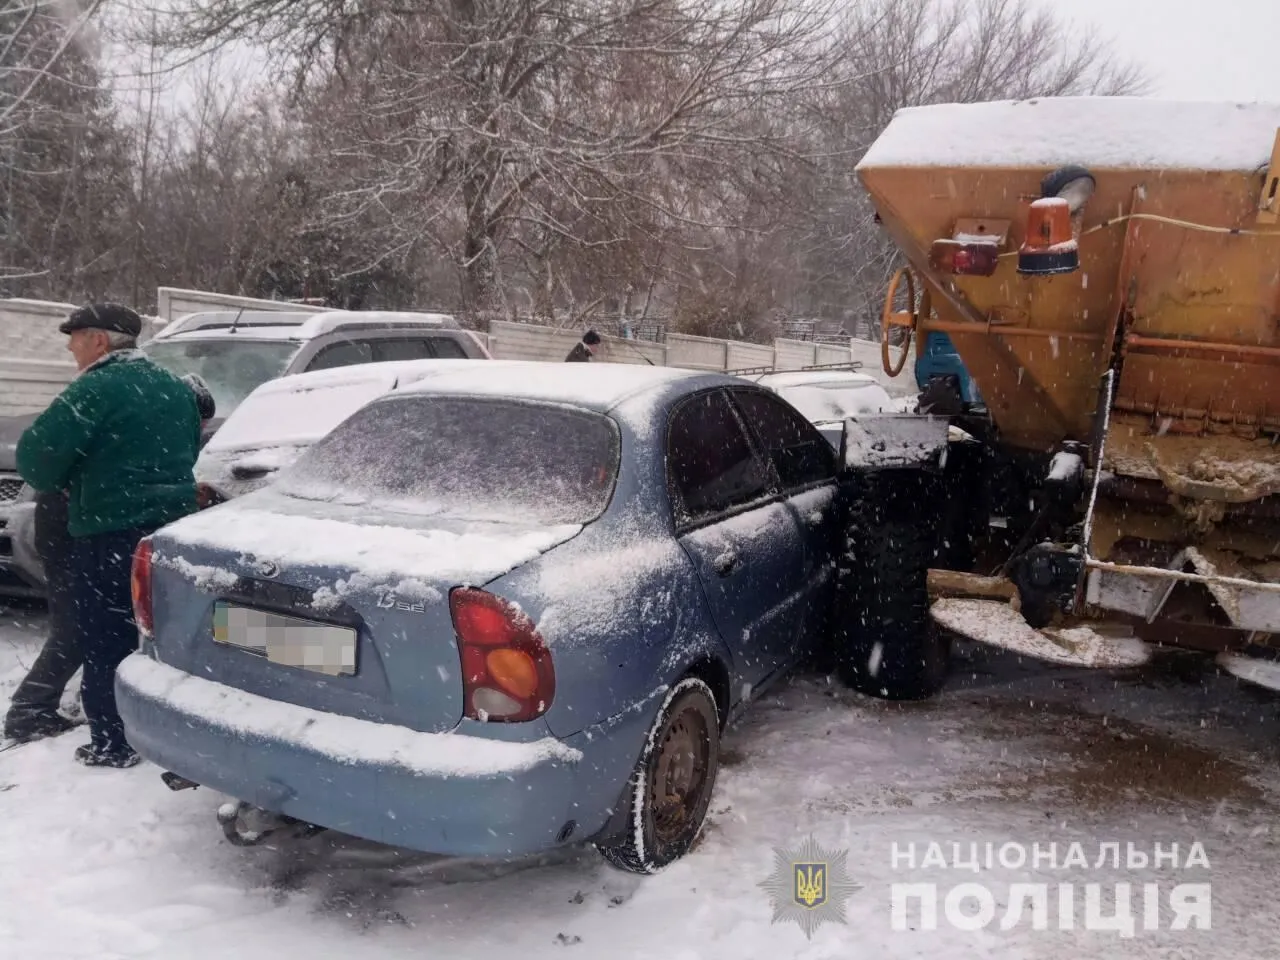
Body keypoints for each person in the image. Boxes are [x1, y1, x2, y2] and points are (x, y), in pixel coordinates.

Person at [16, 303, 203, 767]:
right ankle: (158, 724)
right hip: (167, 533)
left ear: (99, 340)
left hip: (107, 533)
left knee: (102, 637)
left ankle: (113, 741)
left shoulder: (96, 388)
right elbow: (185, 450)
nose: (69, 345)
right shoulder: (173, 387)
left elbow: (35, 461)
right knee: (154, 633)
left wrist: (76, 475)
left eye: (75, 336)